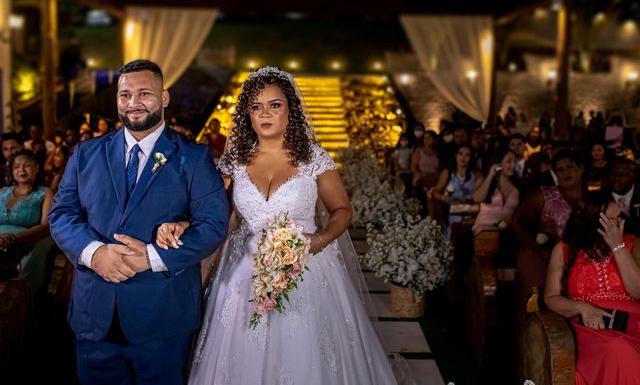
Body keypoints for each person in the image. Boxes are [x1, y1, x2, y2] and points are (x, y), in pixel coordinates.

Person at [157, 67, 396, 384]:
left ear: (291, 109)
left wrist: (320, 240)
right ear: (247, 115)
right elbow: (212, 210)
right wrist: (184, 223)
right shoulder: (234, 161)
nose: (264, 114)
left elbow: (342, 209)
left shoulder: (314, 158)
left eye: (274, 105)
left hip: (308, 266)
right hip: (243, 268)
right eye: (256, 107)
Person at [48, 59, 229, 384]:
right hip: (94, 316)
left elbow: (214, 225)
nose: (133, 103)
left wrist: (152, 257)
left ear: (164, 98)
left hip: (162, 316)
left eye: (144, 93)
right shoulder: (85, 153)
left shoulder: (193, 157)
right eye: (125, 95)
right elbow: (61, 214)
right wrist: (94, 253)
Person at [545, 192, 640, 384]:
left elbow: (637, 291)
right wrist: (581, 308)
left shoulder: (633, 243)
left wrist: (618, 247)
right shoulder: (564, 250)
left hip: (634, 323)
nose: (617, 226)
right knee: (617, 348)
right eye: (610, 221)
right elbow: (551, 297)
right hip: (590, 326)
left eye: (619, 218)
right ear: (591, 222)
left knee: (622, 347)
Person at [514, 150, 584, 297]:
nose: (566, 172)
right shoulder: (543, 194)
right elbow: (520, 222)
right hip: (541, 256)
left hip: (579, 259)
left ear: (581, 169)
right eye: (560, 169)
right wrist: (538, 248)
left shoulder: (591, 199)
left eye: (570, 167)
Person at [0, 150, 54, 301]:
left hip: (26, 244)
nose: (21, 170)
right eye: (16, 166)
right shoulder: (3, 191)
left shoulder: (45, 193)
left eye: (26, 166)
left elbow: (46, 226)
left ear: (36, 167)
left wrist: (13, 238)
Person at [472, 147, 520, 235]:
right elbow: (477, 199)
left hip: (507, 231)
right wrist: (490, 175)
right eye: (509, 161)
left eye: (514, 161)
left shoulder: (518, 185)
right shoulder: (486, 180)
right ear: (498, 164)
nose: (513, 165)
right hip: (484, 228)